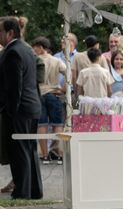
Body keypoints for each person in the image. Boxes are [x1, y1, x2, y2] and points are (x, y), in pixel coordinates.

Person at [0, 17, 43, 199]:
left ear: (10, 33)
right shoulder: (26, 49)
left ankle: (22, 191)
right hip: (31, 106)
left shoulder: (13, 52)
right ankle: (34, 190)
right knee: (29, 149)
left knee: (20, 151)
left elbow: (14, 86)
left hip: (20, 109)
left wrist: (10, 110)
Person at [32, 36, 66, 165]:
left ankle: (45, 155)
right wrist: (63, 89)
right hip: (54, 93)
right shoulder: (56, 61)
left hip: (39, 94)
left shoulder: (35, 60)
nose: (33, 50)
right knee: (57, 124)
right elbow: (68, 73)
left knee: (42, 124)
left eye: (35, 47)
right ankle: (57, 153)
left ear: (41, 47)